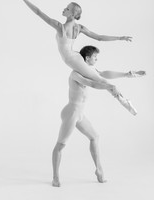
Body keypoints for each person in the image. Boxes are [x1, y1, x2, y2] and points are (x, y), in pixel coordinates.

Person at [52, 45, 145, 187]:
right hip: (71, 112)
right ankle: (55, 178)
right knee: (60, 145)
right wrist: (110, 87)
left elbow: (104, 74)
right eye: (95, 57)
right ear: (87, 58)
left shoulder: (92, 70)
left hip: (79, 113)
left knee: (95, 137)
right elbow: (92, 83)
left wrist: (127, 74)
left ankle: (99, 170)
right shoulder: (75, 74)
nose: (96, 59)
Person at [9, 0, 133, 94]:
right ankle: (125, 78)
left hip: (72, 59)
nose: (64, 9)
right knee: (98, 74)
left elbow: (38, 12)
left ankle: (120, 95)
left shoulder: (60, 27)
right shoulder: (79, 27)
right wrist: (120, 38)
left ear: (72, 14)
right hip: (75, 56)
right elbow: (99, 37)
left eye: (67, 9)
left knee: (99, 79)